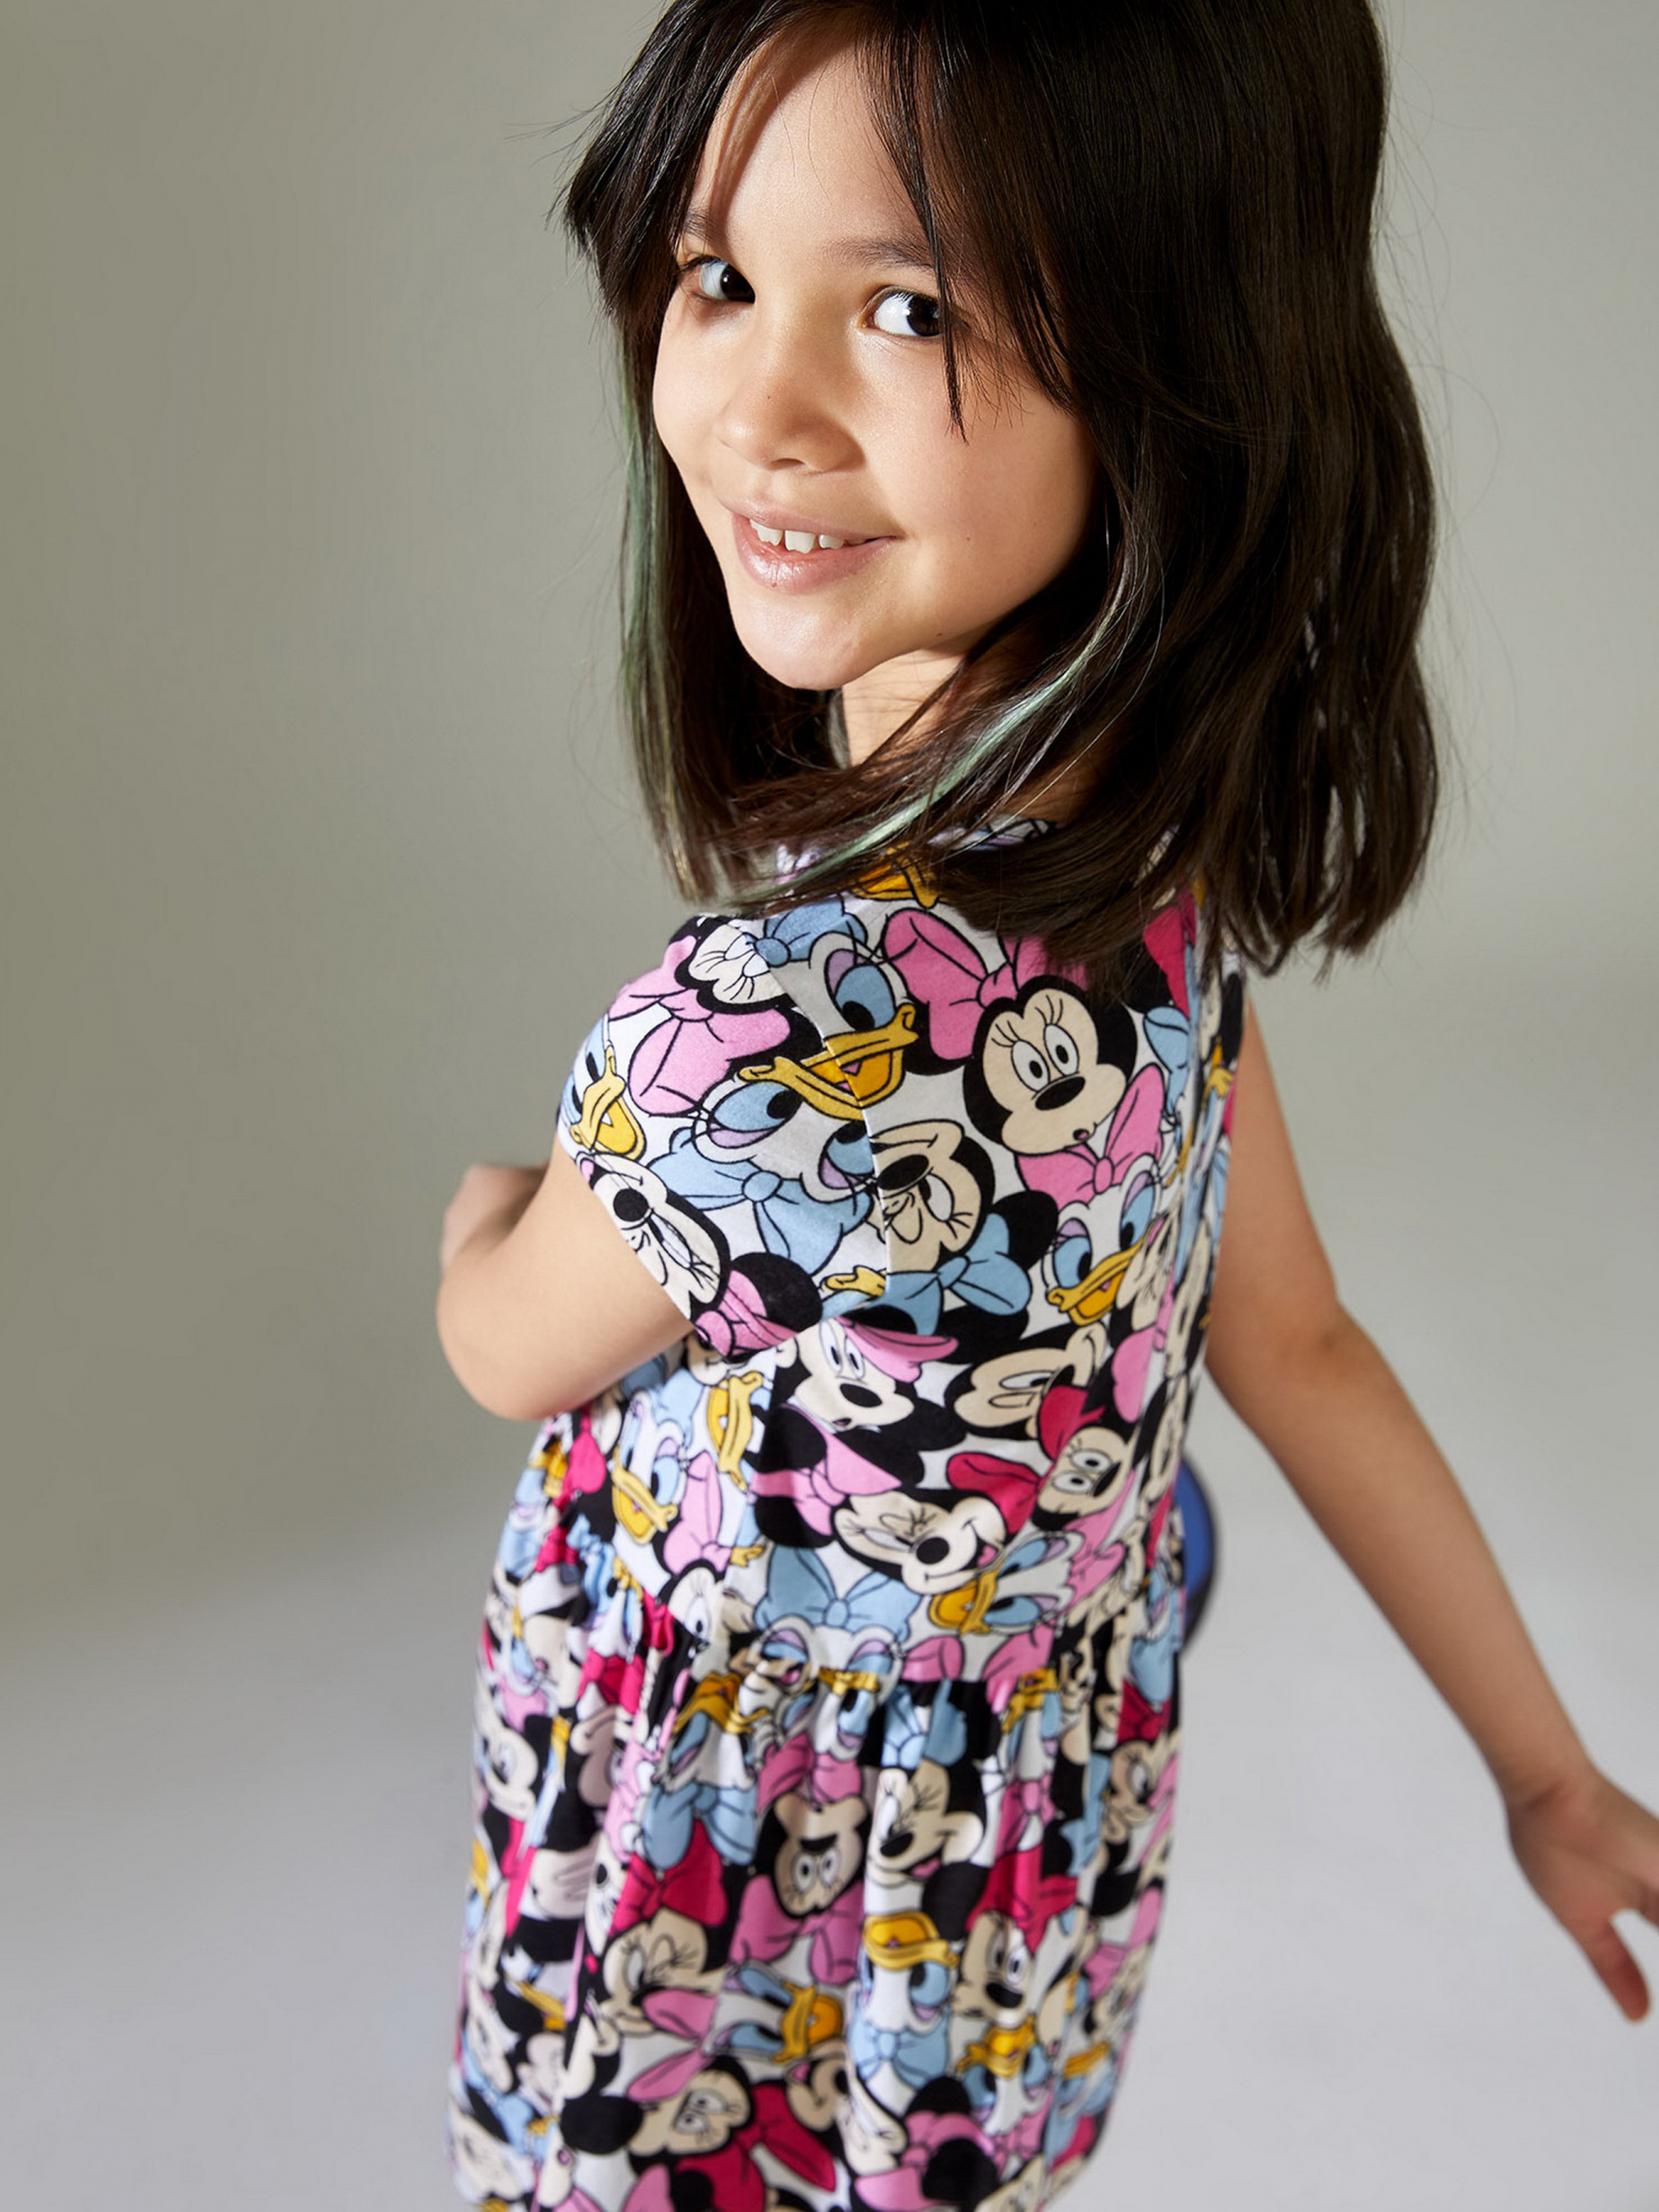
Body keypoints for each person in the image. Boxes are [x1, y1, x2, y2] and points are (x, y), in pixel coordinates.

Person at [433, 6, 1659, 2208]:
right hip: (990, 1908)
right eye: (718, 276)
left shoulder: (754, 1040)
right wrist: (1546, 1774)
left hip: (725, 1907)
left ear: (1177, 373)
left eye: (908, 311)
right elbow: (1297, 1342)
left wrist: (490, 1198)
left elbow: (507, 1340)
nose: (758, 408)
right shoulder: (1145, 892)